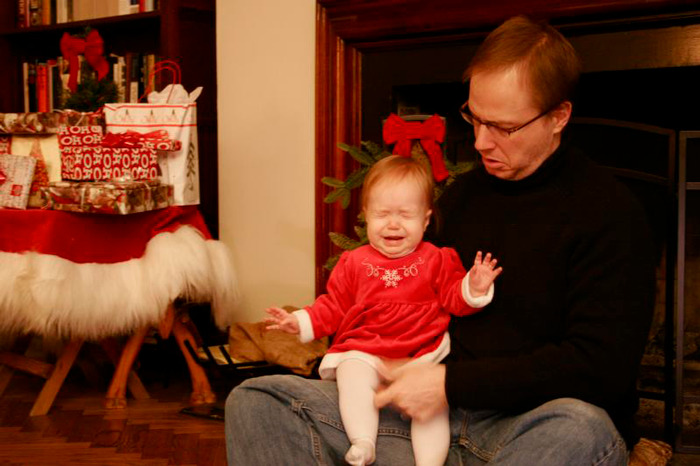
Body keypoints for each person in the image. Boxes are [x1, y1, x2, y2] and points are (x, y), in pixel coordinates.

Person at [225, 15, 655, 466]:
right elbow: (405, 294)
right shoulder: (464, 196)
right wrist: (375, 361)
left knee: (582, 428)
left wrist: (450, 384)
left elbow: (601, 369)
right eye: (475, 118)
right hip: (425, 418)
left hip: (526, 428)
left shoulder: (610, 213)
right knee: (259, 401)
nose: (481, 142)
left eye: (504, 127)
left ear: (558, 117)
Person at [263, 155, 502, 466]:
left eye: (406, 215)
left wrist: (474, 287)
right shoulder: (354, 262)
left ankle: (430, 462)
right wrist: (300, 320)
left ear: (425, 220)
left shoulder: (436, 259)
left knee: (433, 405)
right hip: (366, 349)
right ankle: (363, 441)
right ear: (366, 216)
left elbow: (453, 299)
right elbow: (334, 305)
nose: (393, 224)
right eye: (382, 214)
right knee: (351, 372)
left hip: (419, 353)